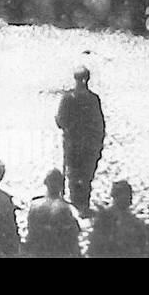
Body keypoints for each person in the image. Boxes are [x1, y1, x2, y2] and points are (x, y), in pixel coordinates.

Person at [55, 66, 105, 216]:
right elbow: (99, 124)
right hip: (89, 145)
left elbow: (61, 121)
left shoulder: (68, 98)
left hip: (73, 144)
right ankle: (83, 204)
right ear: (88, 79)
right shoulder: (93, 99)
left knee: (74, 175)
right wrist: (99, 144)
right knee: (86, 175)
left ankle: (75, 206)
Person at [25, 169, 80, 257]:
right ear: (62, 186)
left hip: (38, 251)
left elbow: (30, 233)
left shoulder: (34, 205)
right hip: (58, 251)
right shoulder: (68, 208)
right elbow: (73, 236)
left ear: (45, 182)